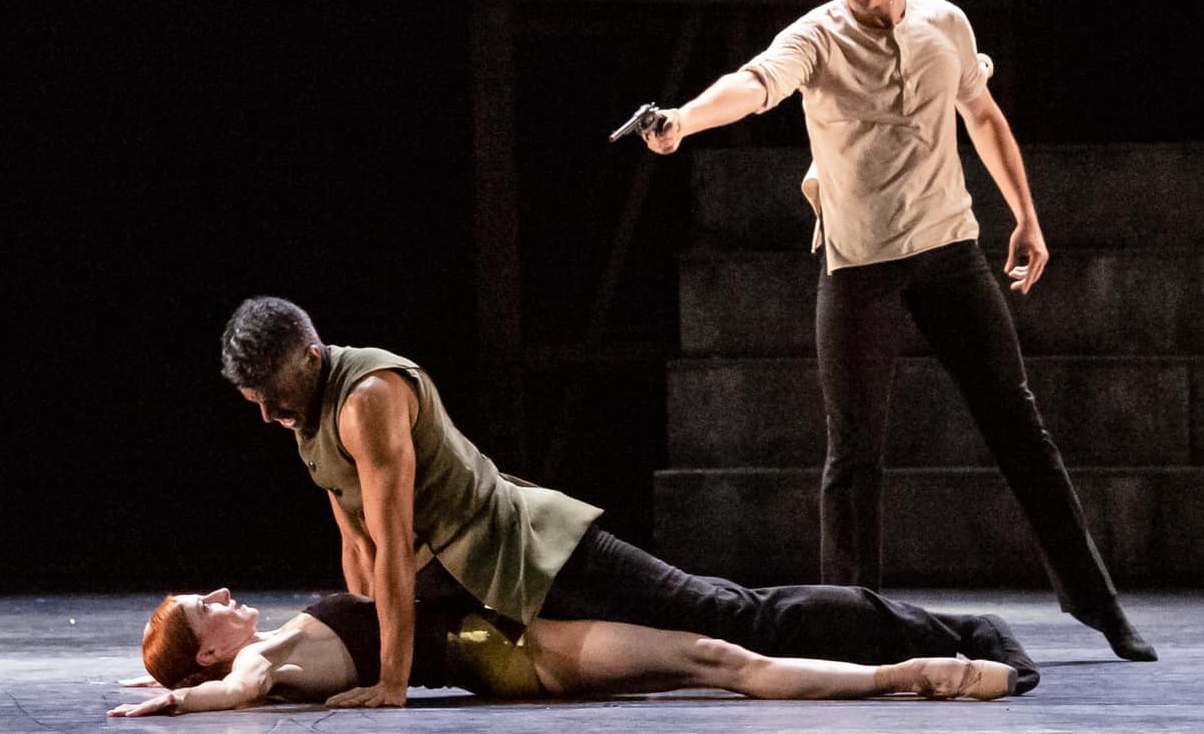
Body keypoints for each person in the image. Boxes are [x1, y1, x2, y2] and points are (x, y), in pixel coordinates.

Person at [639, 0, 1155, 662]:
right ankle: (851, 627)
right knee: (853, 454)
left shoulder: (945, 24)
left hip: (949, 252)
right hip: (860, 268)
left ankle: (1098, 603)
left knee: (1019, 425)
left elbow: (981, 113)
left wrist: (1026, 212)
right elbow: (753, 85)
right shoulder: (815, 36)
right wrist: (683, 119)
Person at [220, 295, 1039, 708]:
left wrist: (392, 678)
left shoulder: (369, 394)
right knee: (709, 646)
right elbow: (358, 542)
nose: (262, 412)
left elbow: (394, 540)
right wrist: (357, 622)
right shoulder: (306, 419)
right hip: (496, 589)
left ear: (313, 355)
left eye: (269, 390)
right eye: (251, 398)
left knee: (732, 616)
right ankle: (948, 644)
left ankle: (968, 635)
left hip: (536, 550)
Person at [107, 587, 1021, 715]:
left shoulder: (264, 645)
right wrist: (178, 699)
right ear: (205, 653)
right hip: (501, 651)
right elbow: (231, 694)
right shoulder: (256, 669)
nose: (224, 598)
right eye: (208, 607)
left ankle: (918, 670)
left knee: (714, 656)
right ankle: (920, 673)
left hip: (497, 639)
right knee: (715, 658)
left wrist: (157, 668)